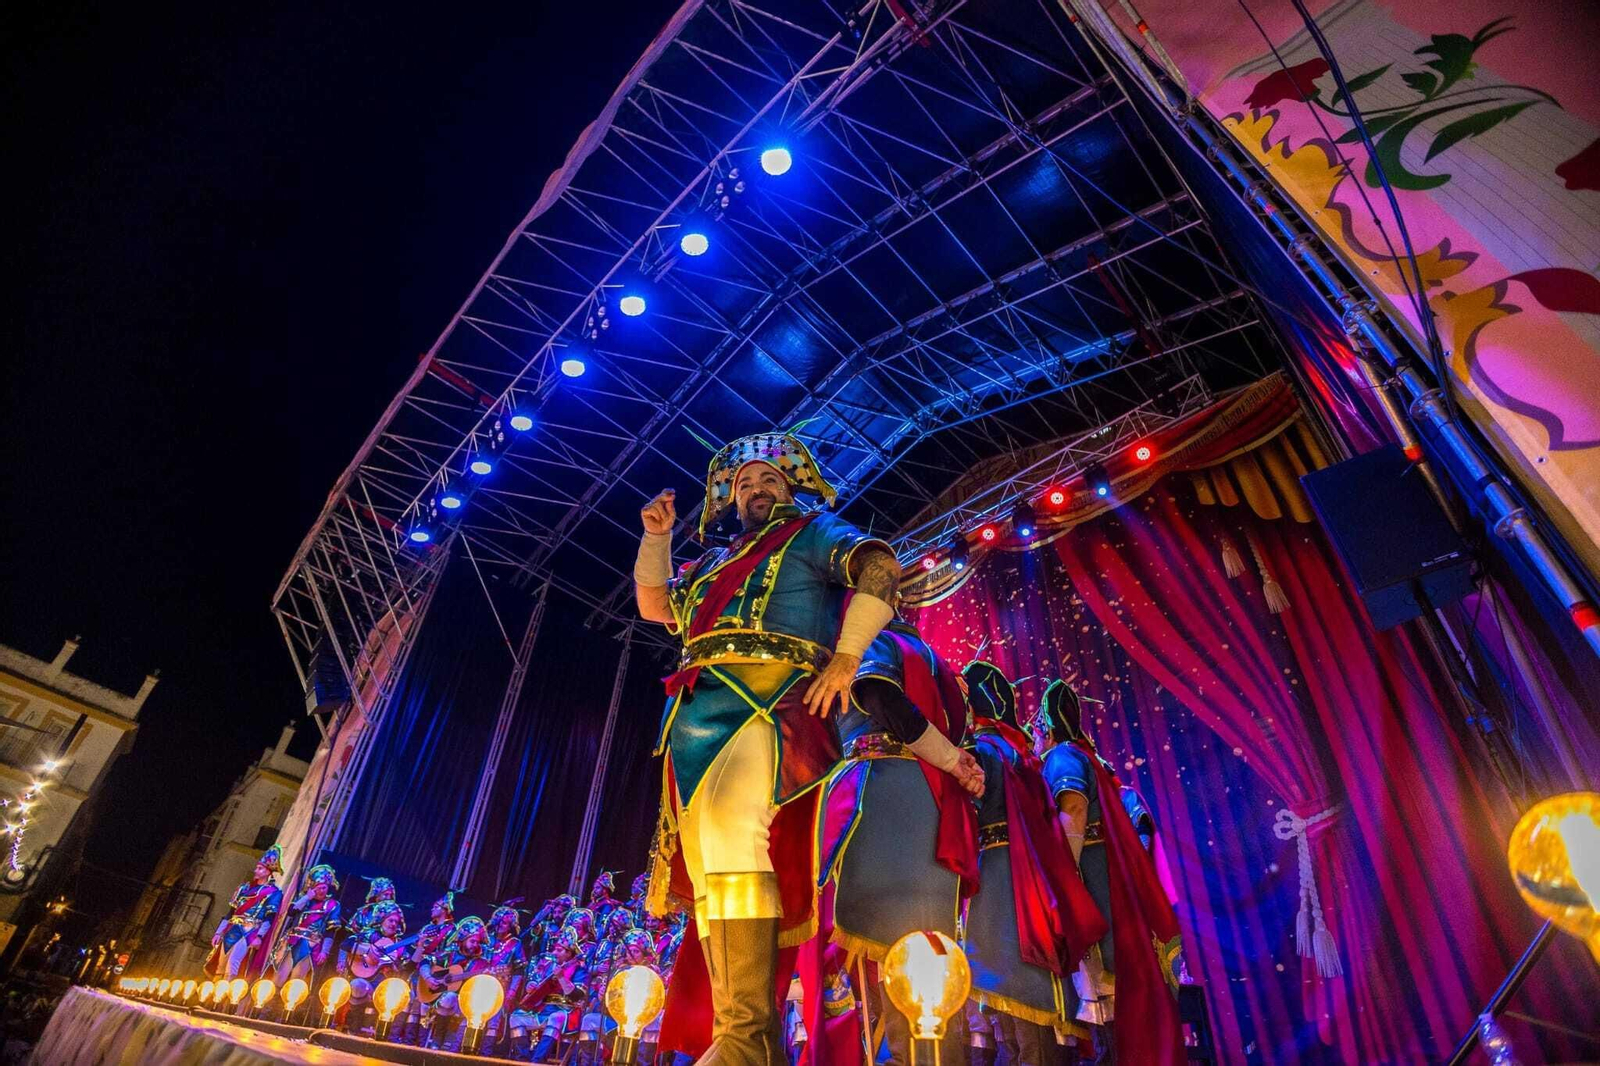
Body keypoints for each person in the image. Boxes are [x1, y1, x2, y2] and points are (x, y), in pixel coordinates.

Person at [635, 431, 901, 1064]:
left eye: (769, 481)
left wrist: (846, 657)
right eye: (743, 483)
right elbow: (654, 608)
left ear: (790, 487)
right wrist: (654, 538)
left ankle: (744, 1041)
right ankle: (749, 1041)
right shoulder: (713, 562)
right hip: (695, 713)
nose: (755, 490)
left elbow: (883, 567)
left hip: (770, 700)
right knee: (705, 872)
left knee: (733, 840)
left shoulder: (813, 532)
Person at [815, 619, 984, 1065]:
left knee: (893, 948)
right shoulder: (936, 663)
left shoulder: (874, 641)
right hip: (927, 797)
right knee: (924, 949)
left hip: (884, 794)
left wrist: (951, 760)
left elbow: (877, 694)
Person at [960, 662, 1105, 1066]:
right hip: (1029, 876)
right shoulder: (1021, 753)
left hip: (996, 874)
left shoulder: (981, 752)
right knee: (1023, 986)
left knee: (1010, 985)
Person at [1037, 679, 1186, 1065]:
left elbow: (1074, 806)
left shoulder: (1062, 757)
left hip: (1095, 887)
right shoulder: (1097, 763)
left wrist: (1064, 878)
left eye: (1036, 732)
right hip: (1117, 889)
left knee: (1107, 1008)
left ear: (1048, 729)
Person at [206, 844, 283, 981]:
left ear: (268, 872)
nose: (255, 870)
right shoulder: (244, 888)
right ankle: (213, 998)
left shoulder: (273, 892)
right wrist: (218, 932)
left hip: (249, 930)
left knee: (233, 963)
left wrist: (259, 936)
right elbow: (230, 912)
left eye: (260, 868)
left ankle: (224, 999)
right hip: (232, 928)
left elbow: (269, 917)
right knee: (220, 965)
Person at [418, 914, 492, 1050]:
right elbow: (425, 961)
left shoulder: (481, 962)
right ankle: (436, 1041)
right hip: (441, 998)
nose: (475, 945)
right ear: (463, 940)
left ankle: (449, 1045)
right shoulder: (450, 954)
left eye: (477, 942)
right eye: (472, 941)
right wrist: (428, 978)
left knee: (450, 999)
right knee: (449, 998)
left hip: (468, 1002)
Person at [271, 864, 342, 988]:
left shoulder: (332, 904)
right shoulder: (304, 899)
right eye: (317, 888)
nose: (321, 891)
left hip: (311, 945)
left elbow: (331, 931)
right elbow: (291, 912)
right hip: (292, 942)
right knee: (279, 976)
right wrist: (307, 897)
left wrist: (325, 951)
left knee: (296, 980)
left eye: (324, 888)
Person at [403, 892, 458, 1045]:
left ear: (445, 909)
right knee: (413, 1006)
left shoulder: (452, 930)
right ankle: (407, 1042)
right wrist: (420, 947)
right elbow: (417, 954)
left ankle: (422, 1045)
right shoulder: (428, 928)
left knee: (425, 1008)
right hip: (420, 970)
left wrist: (431, 960)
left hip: (437, 972)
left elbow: (450, 952)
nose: (432, 909)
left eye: (436, 907)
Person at [338, 876, 397, 977]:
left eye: (390, 895)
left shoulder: (394, 917)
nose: (388, 898)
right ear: (376, 895)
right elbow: (348, 937)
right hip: (356, 959)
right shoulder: (364, 912)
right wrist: (341, 960)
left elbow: (393, 941)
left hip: (378, 965)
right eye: (385, 894)